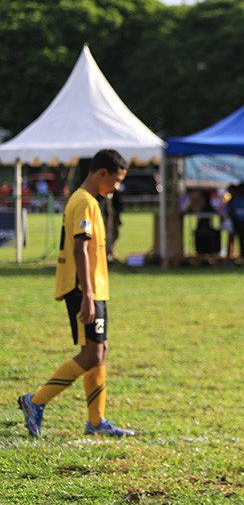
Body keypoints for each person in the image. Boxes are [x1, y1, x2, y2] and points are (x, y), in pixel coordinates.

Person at [17, 149, 134, 439]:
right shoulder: (83, 201)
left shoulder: (91, 201)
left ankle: (96, 421)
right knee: (91, 352)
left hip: (94, 288)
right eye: (116, 180)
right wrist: (88, 295)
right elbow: (79, 248)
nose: (117, 187)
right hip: (84, 288)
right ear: (101, 173)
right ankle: (35, 402)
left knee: (100, 352)